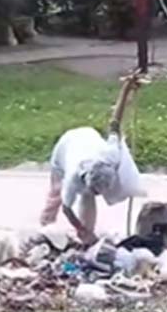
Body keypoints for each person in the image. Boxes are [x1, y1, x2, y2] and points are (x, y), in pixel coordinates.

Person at [41, 74, 146, 245]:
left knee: (87, 199)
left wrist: (126, 89)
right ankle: (46, 229)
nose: (100, 195)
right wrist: (79, 228)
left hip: (89, 138)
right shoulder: (73, 177)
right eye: (97, 191)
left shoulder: (110, 154)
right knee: (55, 196)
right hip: (67, 146)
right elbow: (67, 209)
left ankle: (87, 236)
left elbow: (115, 122)